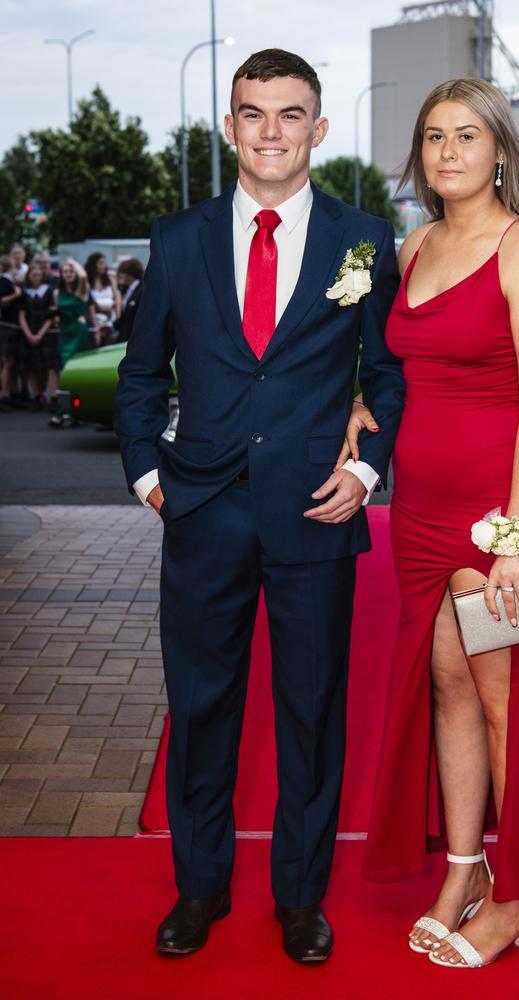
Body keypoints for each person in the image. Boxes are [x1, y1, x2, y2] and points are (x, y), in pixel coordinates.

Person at [115, 49, 404, 964]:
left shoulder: (361, 241)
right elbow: (137, 374)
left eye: (289, 114)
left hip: (316, 509)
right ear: (230, 127)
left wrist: (366, 473)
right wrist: (146, 475)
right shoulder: (177, 238)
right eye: (253, 113)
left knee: (312, 712)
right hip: (199, 509)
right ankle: (199, 889)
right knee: (202, 710)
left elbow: (388, 373)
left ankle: (300, 898)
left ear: (318, 130)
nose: (270, 131)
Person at [340, 78, 519, 969]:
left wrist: (516, 541)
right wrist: (358, 403)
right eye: (434, 137)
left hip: (501, 517)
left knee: (510, 704)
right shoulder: (416, 243)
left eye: (468, 135)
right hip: (419, 511)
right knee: (450, 691)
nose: (449, 152)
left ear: (501, 151)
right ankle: (463, 870)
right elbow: (392, 361)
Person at [17, 259, 58, 408]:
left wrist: (40, 334)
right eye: (34, 275)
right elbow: (21, 315)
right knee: (31, 365)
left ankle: (46, 393)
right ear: (29, 276)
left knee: (45, 365)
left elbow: (51, 315)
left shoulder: (47, 291)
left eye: (39, 275)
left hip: (43, 330)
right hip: (28, 330)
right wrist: (29, 334)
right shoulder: (23, 292)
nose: (37, 278)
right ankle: (36, 395)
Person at [54, 258, 96, 368]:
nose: (68, 274)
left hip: (78, 330)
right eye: (65, 271)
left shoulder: (81, 291)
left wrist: (72, 262)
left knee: (78, 362)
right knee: (64, 362)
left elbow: (83, 276)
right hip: (65, 331)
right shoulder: (57, 292)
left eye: (71, 271)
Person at [0, 255, 22, 411]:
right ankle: (5, 394)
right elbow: (2, 301)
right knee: (7, 362)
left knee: (10, 362)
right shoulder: (5, 281)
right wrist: (16, 294)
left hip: (10, 325)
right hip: (7, 325)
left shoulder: (10, 281)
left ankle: (10, 392)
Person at [85, 252, 121, 344]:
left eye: (104, 263)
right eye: (100, 263)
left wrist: (117, 317)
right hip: (95, 320)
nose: (103, 266)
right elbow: (89, 302)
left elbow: (116, 298)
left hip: (111, 320)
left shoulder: (109, 279)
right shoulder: (87, 282)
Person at [114, 257, 144, 342]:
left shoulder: (142, 289)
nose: (120, 276)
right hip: (125, 336)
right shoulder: (127, 290)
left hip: (135, 338)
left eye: (123, 272)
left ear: (130, 274)